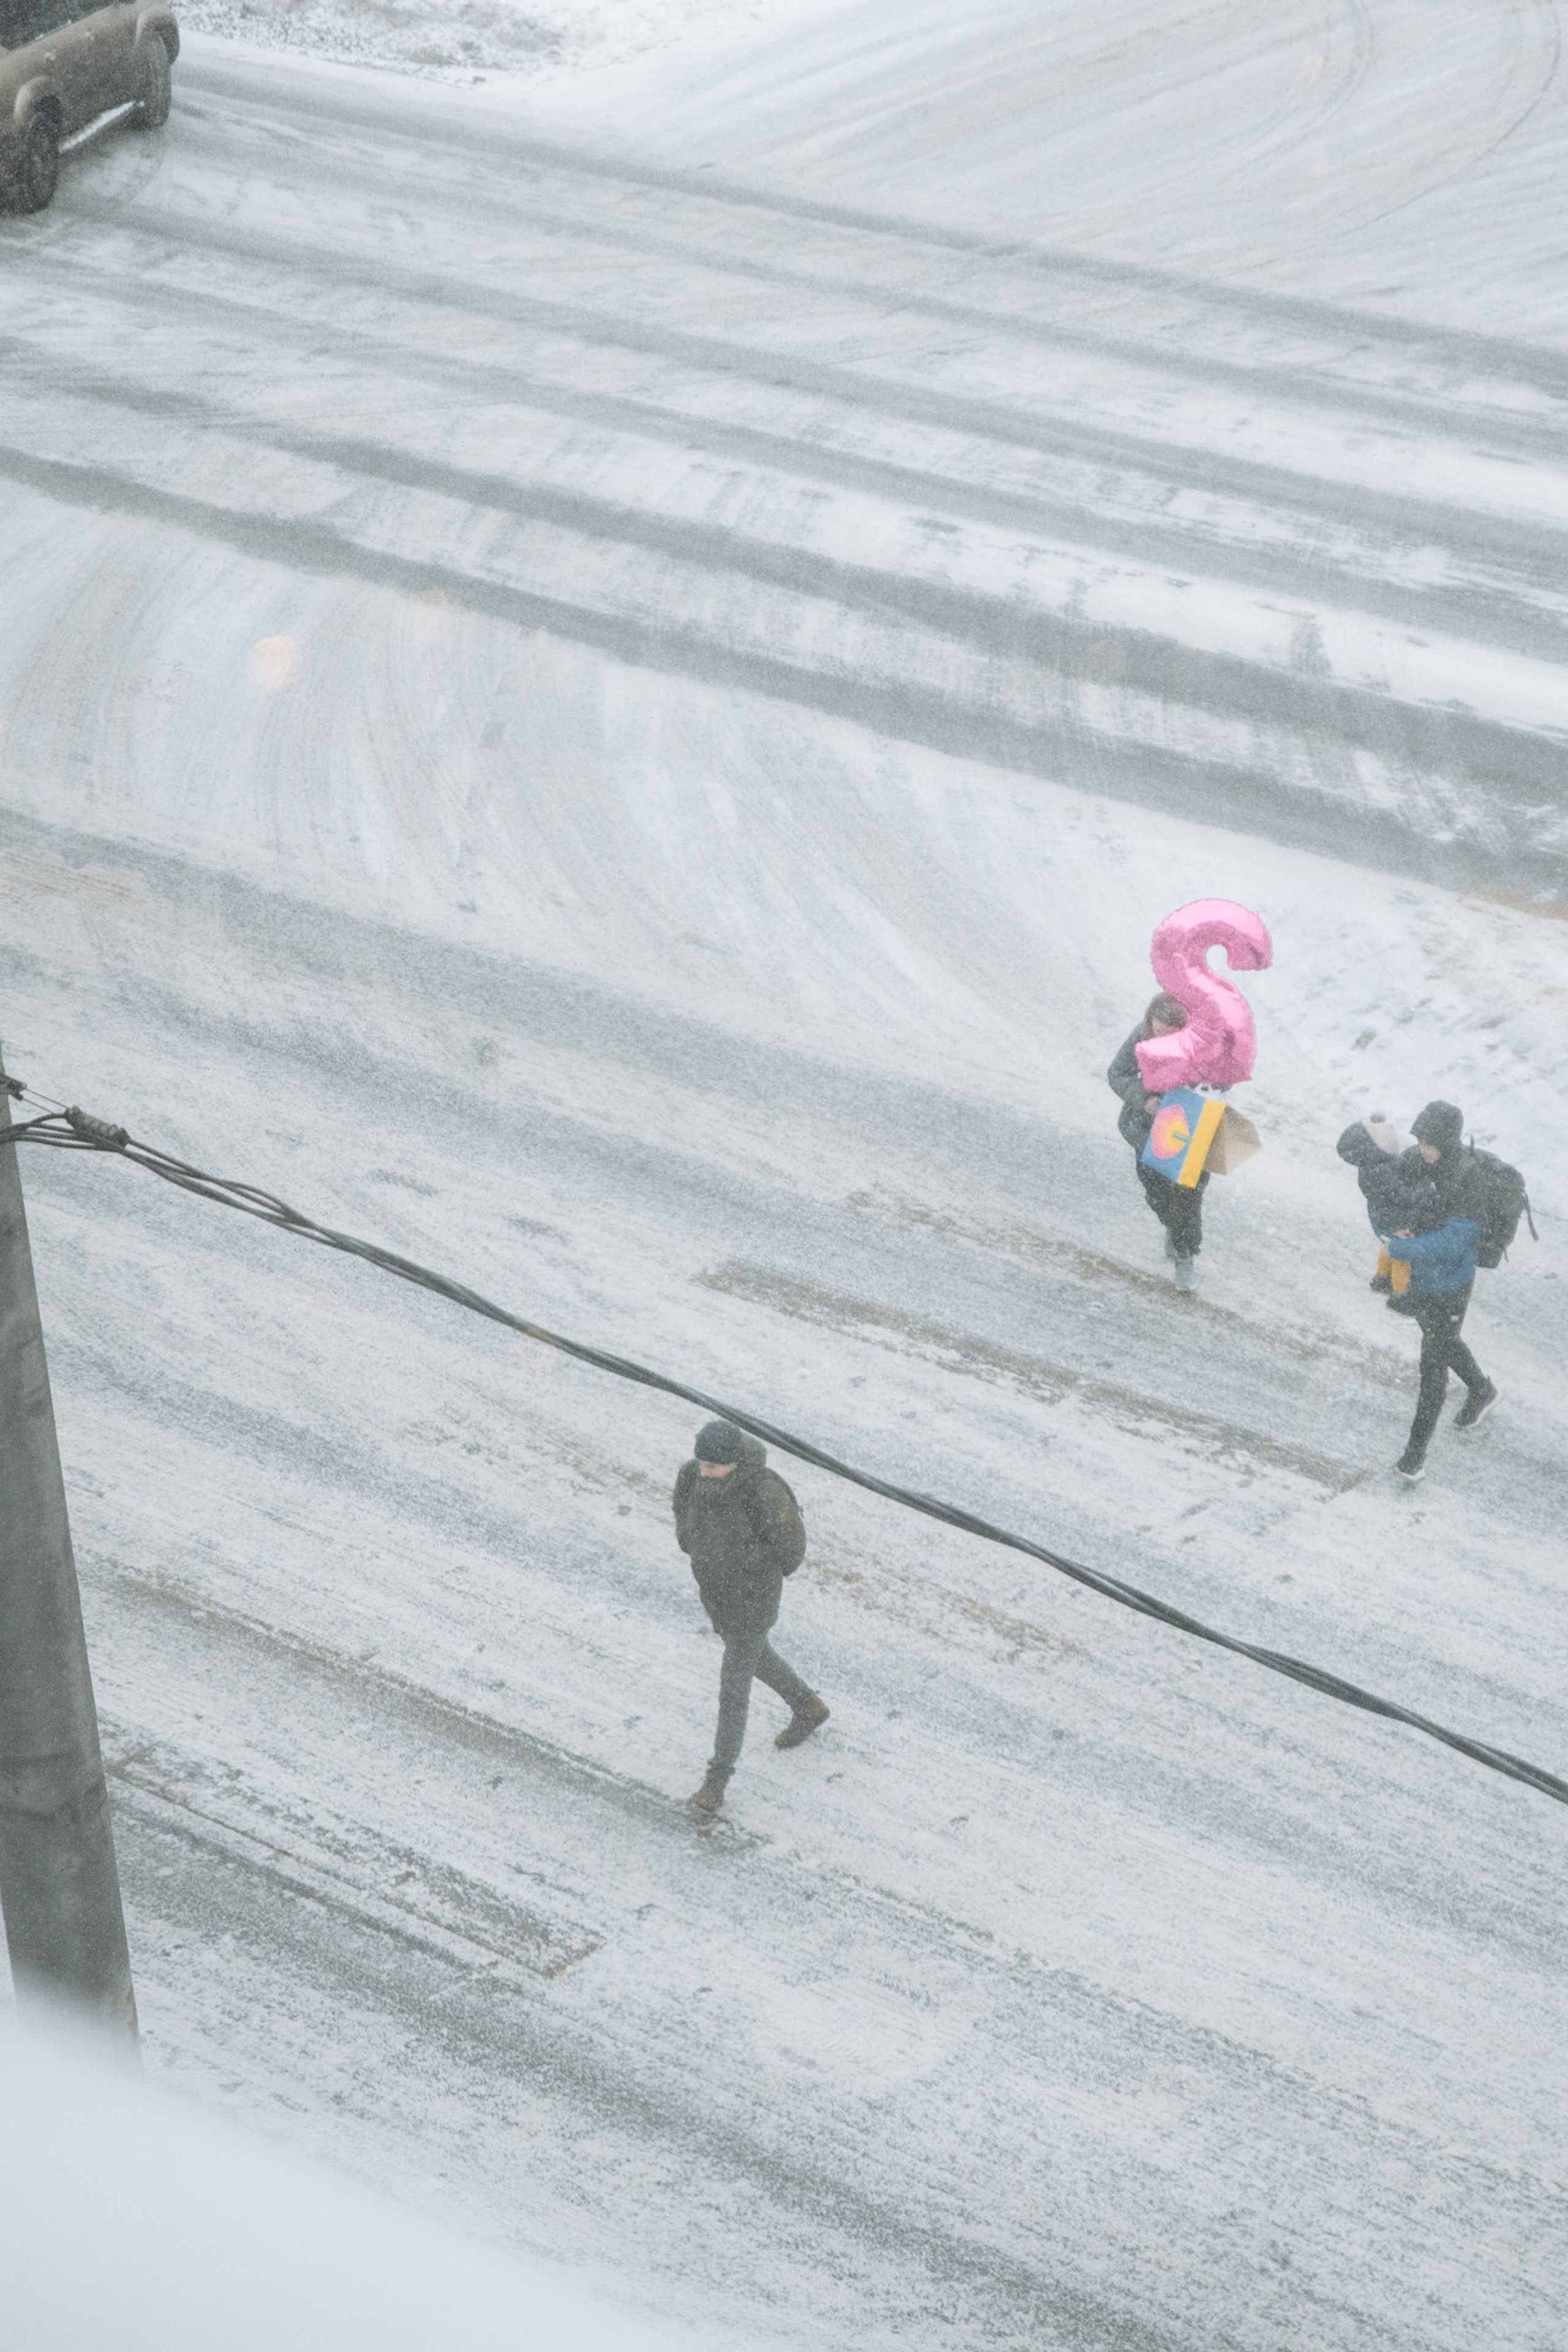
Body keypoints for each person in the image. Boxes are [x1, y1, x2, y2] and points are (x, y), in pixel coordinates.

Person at [673, 1420, 827, 1813]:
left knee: (733, 1690)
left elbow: (792, 1547)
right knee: (757, 1658)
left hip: (753, 1602)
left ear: (734, 1462)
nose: (704, 1471)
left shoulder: (762, 1489)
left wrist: (753, 1568)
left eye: (713, 1466)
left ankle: (716, 1781)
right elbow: (683, 1514)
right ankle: (808, 1707)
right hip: (718, 1595)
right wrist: (693, 1543)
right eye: (701, 1463)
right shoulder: (692, 1475)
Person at [1379, 1101, 1499, 1483]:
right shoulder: (1418, 1160)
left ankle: (1413, 1458)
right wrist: (1393, 1226)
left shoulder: (1470, 1179)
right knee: (1441, 1337)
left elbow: (1457, 1239)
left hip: (1451, 1282)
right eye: (1419, 1140)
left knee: (1433, 1364)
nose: (1422, 1148)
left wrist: (1401, 1249)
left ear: (1447, 1142)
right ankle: (1482, 1389)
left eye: (1430, 1143)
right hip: (1421, 1276)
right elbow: (1387, 1192)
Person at [1107, 992, 1205, 1289]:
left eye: (1171, 1033)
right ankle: (1174, 1228)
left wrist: (1196, 1082)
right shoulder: (1141, 1035)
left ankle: (1185, 1254)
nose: (1163, 1037)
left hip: (1193, 1127)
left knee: (1188, 1196)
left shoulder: (1203, 1041)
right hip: (1148, 1130)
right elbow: (1118, 1073)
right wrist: (1145, 1098)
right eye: (1158, 1029)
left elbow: (1225, 1077)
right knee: (1158, 1194)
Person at [1335, 1113, 1441, 1305]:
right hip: (1396, 1220)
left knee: (1387, 1246)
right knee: (1402, 1254)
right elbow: (1403, 1196)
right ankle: (1400, 1292)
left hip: (1383, 1218)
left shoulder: (1373, 1164)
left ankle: (1381, 1278)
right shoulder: (1383, 1168)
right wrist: (1426, 1191)